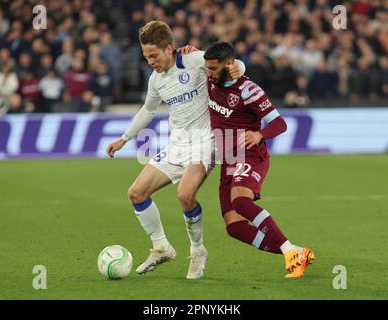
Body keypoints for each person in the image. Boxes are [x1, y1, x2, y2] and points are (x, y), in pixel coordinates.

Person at [106, 21, 246, 279]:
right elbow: (148, 110)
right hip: (177, 145)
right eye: (146, 56)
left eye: (153, 55)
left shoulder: (192, 60)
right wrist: (124, 138)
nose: (150, 61)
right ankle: (161, 248)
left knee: (184, 196)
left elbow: (228, 63)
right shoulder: (156, 79)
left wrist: (239, 67)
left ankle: (197, 251)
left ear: (168, 48)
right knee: (136, 193)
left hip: (205, 142)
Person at [203, 42, 314, 278]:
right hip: (229, 158)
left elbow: (280, 123)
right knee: (234, 228)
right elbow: (188, 60)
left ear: (228, 65)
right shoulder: (211, 80)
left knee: (241, 202)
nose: (208, 73)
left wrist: (259, 134)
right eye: (207, 68)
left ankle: (290, 252)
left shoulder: (248, 90)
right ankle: (295, 252)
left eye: (213, 69)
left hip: (251, 154)